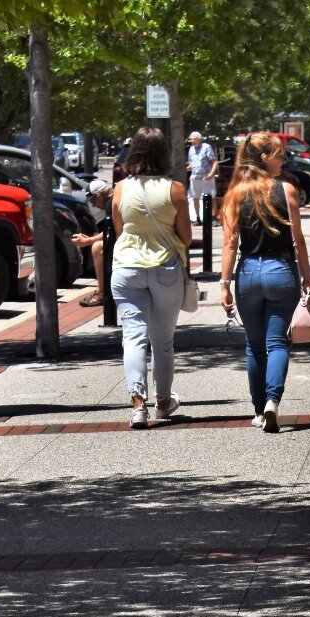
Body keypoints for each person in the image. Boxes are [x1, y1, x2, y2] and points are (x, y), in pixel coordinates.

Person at [220, 133, 310, 433]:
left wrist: (224, 283)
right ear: (264, 158)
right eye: (279, 154)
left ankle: (258, 410)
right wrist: (307, 276)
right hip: (280, 270)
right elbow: (297, 241)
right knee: (277, 343)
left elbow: (229, 243)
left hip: (248, 270)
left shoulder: (235, 193)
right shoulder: (287, 190)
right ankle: (273, 402)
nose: (283, 160)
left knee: (254, 345)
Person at [110, 127, 192, 428]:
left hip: (127, 268)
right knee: (163, 340)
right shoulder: (175, 190)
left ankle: (137, 405)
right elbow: (186, 236)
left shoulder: (120, 189)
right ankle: (163, 400)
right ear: (163, 153)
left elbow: (121, 231)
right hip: (165, 268)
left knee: (133, 337)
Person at [72, 179, 112, 307]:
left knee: (97, 248)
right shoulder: (111, 201)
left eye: (94, 200)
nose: (94, 205)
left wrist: (87, 241)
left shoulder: (111, 203)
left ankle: (102, 293)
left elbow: (113, 232)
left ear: (100, 194)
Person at [187, 131, 219, 224]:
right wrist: (187, 168)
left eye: (194, 139)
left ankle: (213, 218)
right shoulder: (191, 149)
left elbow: (214, 161)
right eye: (191, 139)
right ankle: (198, 218)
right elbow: (192, 164)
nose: (192, 141)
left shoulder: (206, 147)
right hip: (195, 176)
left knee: (211, 196)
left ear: (199, 139)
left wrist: (212, 173)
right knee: (195, 197)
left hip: (206, 176)